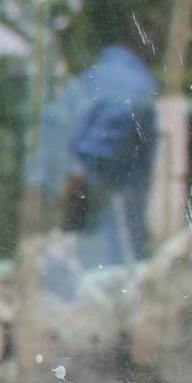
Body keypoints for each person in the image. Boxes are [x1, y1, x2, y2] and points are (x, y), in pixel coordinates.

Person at [35, 28, 160, 272]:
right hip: (108, 250)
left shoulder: (85, 83)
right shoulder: (134, 84)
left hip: (90, 240)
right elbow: (88, 167)